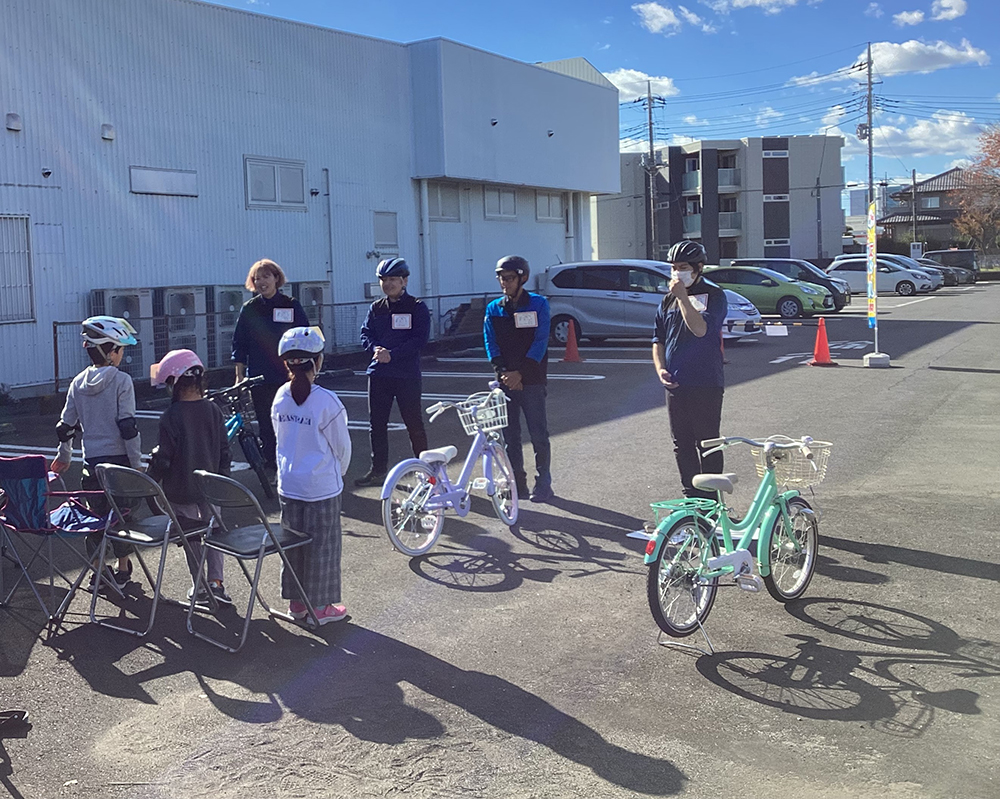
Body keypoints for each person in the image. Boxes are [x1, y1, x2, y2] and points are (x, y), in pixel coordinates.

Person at [51, 316, 142, 587]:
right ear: (111, 351)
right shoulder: (122, 381)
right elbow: (128, 427)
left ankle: (99, 571)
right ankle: (123, 568)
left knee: (95, 519)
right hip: (119, 465)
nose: (122, 354)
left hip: (91, 465)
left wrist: (64, 456)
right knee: (122, 517)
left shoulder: (77, 383)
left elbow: (65, 427)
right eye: (120, 349)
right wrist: (137, 464)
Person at [272, 326, 351, 625]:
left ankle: (297, 604)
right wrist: (338, 475)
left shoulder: (280, 396)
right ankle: (320, 608)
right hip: (321, 486)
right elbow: (342, 448)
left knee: (294, 547)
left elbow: (279, 437)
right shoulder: (327, 401)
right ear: (317, 361)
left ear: (287, 363)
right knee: (323, 548)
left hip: (289, 484)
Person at [146, 350, 233, 606]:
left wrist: (151, 481)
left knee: (191, 535)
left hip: (180, 487)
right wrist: (223, 481)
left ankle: (201, 586)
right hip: (211, 487)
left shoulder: (171, 416)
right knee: (214, 530)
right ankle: (217, 582)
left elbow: (164, 458)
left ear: (174, 383)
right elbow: (225, 451)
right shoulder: (214, 411)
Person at [651, 240, 728, 499]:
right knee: (681, 443)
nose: (676, 273)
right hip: (676, 383)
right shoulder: (667, 300)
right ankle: (691, 496)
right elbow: (658, 339)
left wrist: (683, 297)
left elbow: (700, 329)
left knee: (708, 442)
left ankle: (711, 500)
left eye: (683, 267)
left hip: (705, 381)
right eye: (673, 267)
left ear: (698, 268)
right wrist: (660, 368)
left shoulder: (714, 296)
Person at [355, 257, 431, 487]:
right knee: (377, 425)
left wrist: (393, 354)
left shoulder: (416, 307)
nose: (388, 284)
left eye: (393, 279)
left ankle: (426, 472)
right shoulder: (376, 308)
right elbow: (365, 333)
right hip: (379, 374)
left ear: (404, 281)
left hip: (406, 375)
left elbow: (420, 339)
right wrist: (375, 349)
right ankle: (378, 470)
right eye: (384, 280)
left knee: (414, 424)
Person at [483, 255, 553, 503]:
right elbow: (490, 341)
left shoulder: (538, 304)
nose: (505, 283)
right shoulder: (494, 308)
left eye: (510, 278)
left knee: (538, 433)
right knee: (510, 435)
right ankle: (517, 483)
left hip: (532, 379)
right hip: (505, 380)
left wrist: (520, 373)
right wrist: (503, 371)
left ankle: (543, 483)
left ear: (523, 278)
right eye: (501, 278)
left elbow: (540, 341)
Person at [231, 259, 309, 476]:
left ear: (276, 278)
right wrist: (239, 375)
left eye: (266, 276)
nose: (261, 282)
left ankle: (292, 463)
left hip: (289, 375)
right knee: (266, 422)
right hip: (259, 376)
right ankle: (271, 465)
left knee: (291, 420)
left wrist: (306, 370)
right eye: (257, 278)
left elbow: (304, 336)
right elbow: (239, 343)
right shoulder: (250, 308)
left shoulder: (290, 304)